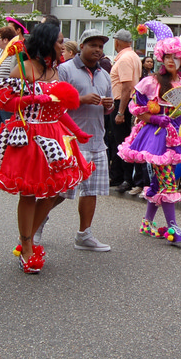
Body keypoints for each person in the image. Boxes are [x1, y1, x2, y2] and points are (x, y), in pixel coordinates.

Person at [0, 22, 95, 274]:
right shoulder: (23, 68)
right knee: (29, 193)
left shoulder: (55, 72)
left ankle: (27, 238)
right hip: (28, 136)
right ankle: (26, 246)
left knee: (53, 192)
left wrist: (76, 131)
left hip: (54, 135)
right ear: (46, 42)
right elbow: (2, 100)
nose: (63, 45)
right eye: (59, 41)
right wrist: (31, 98)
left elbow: (59, 110)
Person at [117, 21, 181, 244]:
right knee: (168, 182)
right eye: (167, 56)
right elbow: (136, 108)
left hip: (178, 136)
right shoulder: (151, 82)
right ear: (161, 57)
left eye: (175, 57)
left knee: (160, 182)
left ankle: (147, 222)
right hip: (155, 137)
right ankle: (173, 228)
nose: (170, 60)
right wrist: (155, 118)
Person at [57, 30, 115, 251]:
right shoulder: (65, 70)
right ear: (81, 46)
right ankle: (37, 225)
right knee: (60, 191)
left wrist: (108, 106)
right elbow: (55, 104)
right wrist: (81, 99)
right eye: (93, 45)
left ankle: (84, 235)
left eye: (100, 46)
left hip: (97, 141)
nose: (98, 50)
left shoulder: (104, 75)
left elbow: (107, 109)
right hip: (69, 140)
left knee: (91, 191)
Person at [108, 28, 144, 194]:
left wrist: (121, 112)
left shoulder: (124, 59)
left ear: (117, 42)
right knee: (120, 141)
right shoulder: (134, 56)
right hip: (127, 101)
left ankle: (126, 178)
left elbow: (126, 86)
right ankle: (118, 176)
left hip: (122, 102)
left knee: (122, 142)